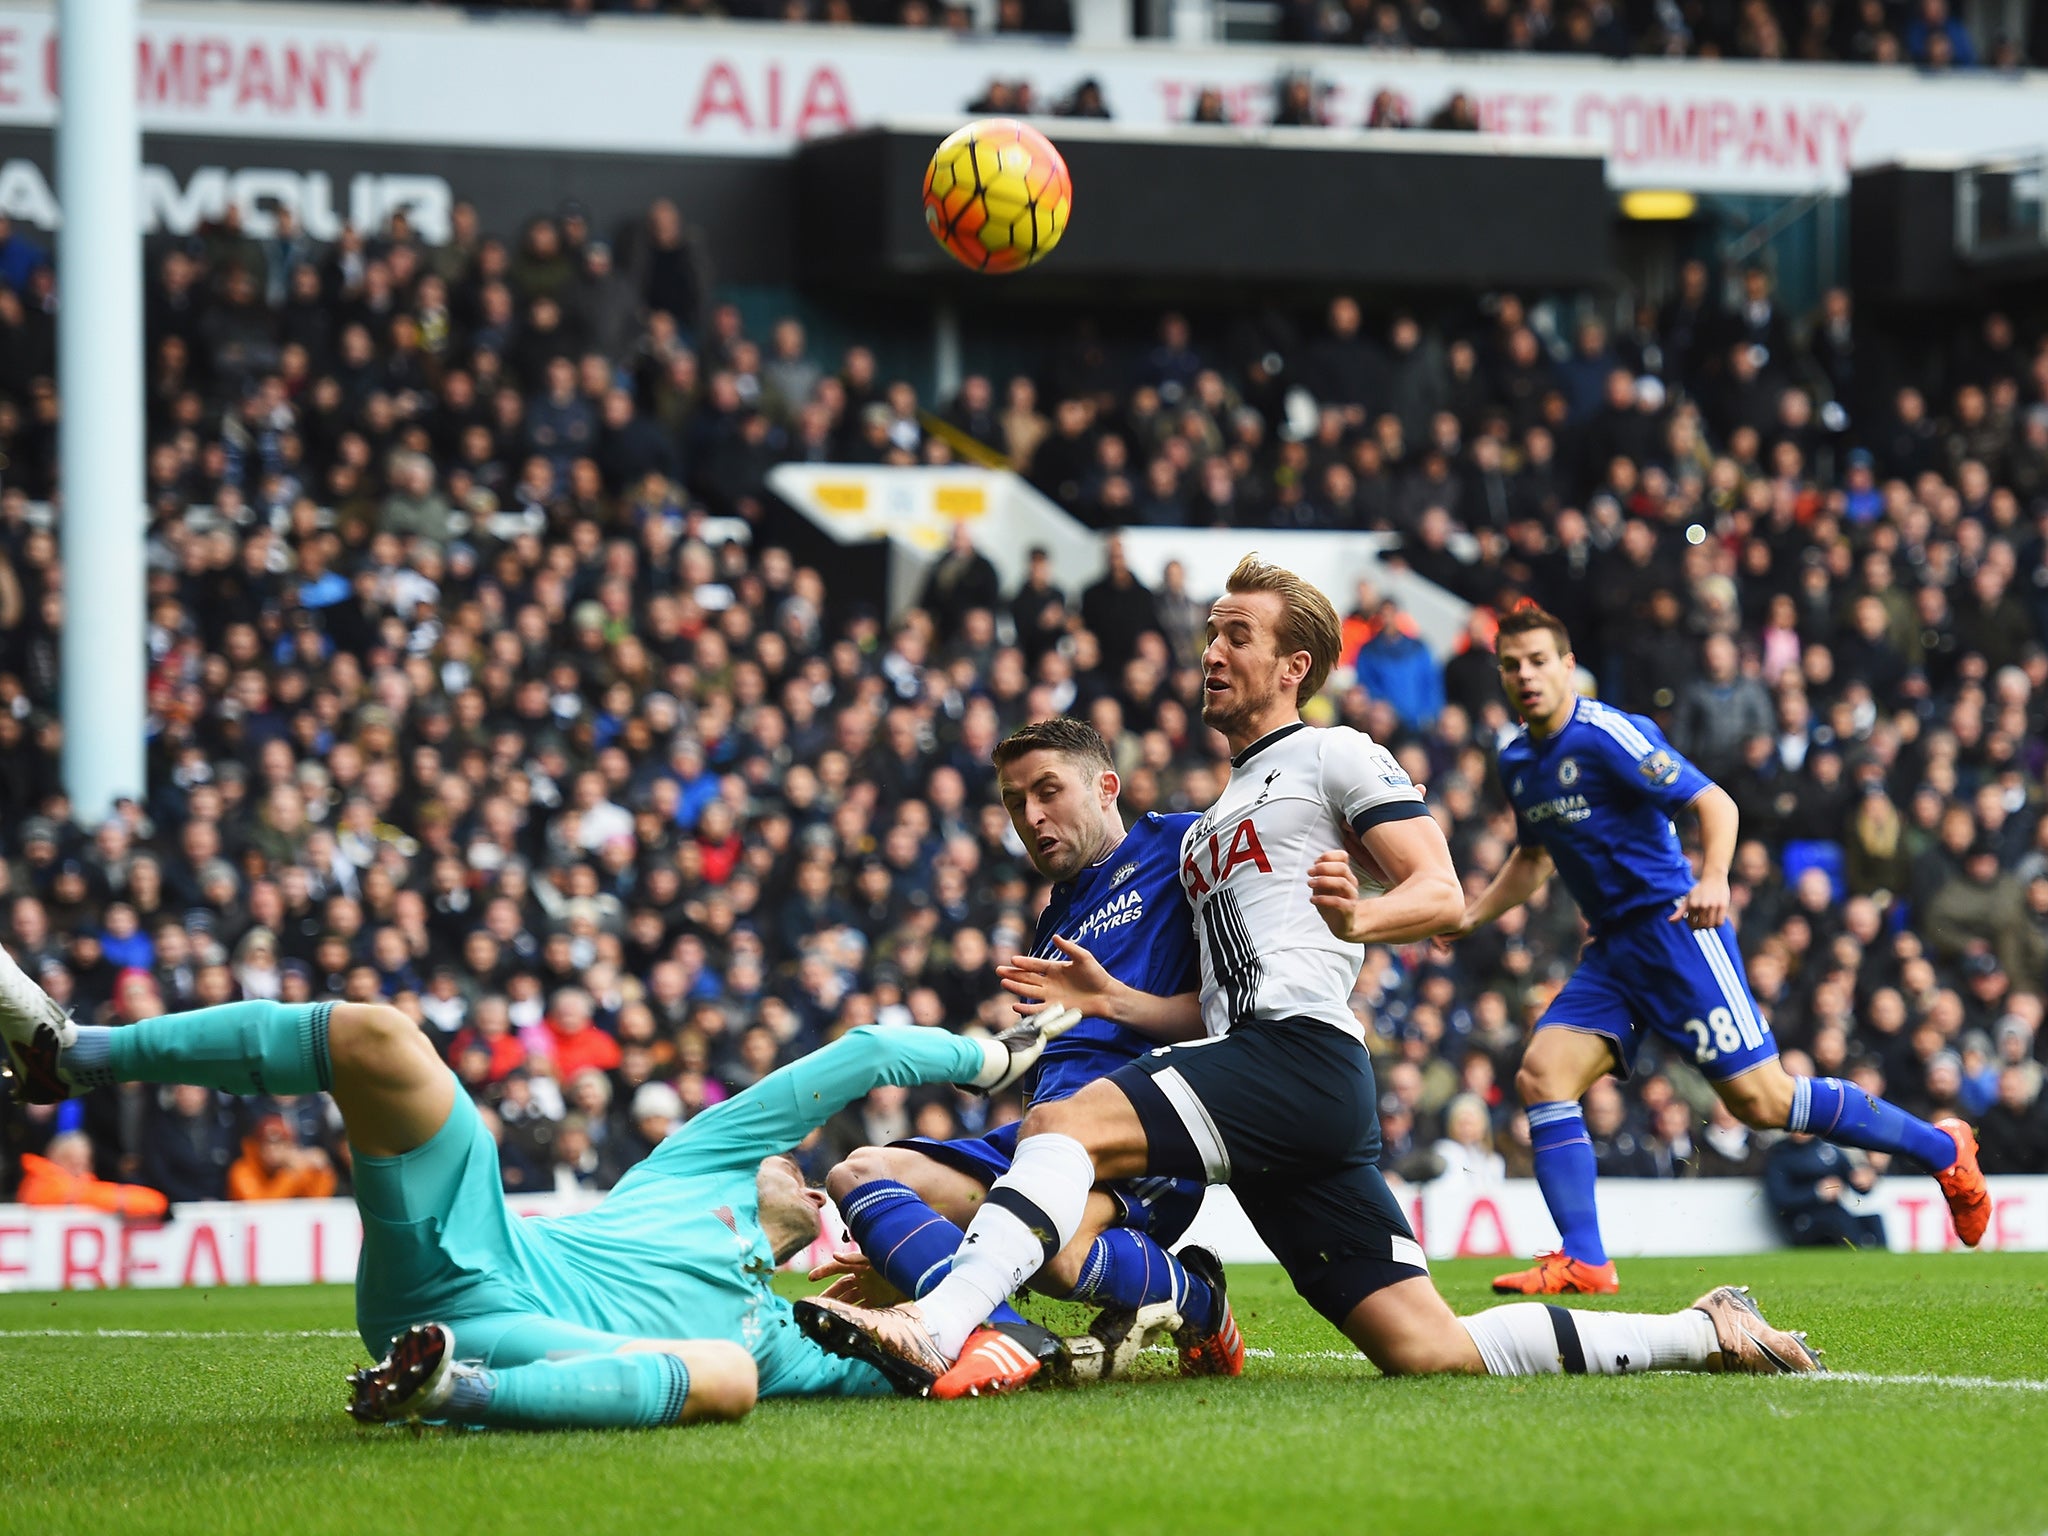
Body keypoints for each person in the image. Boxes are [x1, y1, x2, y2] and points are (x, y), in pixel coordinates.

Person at [798, 556, 1821, 1396]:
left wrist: (1359, 914)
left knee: (1060, 1128)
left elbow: (1437, 889)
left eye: (1234, 634)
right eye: (1208, 631)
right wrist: (1112, 1002)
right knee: (1424, 1346)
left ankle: (942, 1323)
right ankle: (1700, 1330)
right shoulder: (1206, 829)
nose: (1210, 650)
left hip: (1298, 1054)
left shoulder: (1335, 753)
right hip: (1266, 1079)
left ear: (1291, 665)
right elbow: (1206, 1003)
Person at [0, 940, 1078, 1429]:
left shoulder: (790, 1332)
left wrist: (974, 1323)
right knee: (381, 1039)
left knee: (728, 1379)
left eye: (835, 1221)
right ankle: (75, 1054)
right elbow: (852, 1058)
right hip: (470, 1245)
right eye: (802, 1172)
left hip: (502, 1336)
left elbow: (944, 1362)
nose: (811, 1184)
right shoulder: (700, 1157)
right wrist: (988, 1060)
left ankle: (446, 1393)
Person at [1440, 603, 1987, 1297]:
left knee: (1762, 1102)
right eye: (1512, 665)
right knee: (1543, 1075)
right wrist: (1472, 914)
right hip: (1613, 952)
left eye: (1539, 661)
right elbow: (1533, 855)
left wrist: (1716, 877)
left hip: (1677, 934)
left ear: (1567, 665)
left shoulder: (1608, 734)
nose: (1526, 676)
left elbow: (1715, 802)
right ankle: (1585, 1258)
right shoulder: (1517, 760)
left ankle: (1945, 1150)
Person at [821, 716, 1229, 1380]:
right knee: (860, 1175)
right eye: (1015, 803)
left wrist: (1113, 1001)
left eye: (1048, 791)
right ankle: (1004, 1334)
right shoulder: (1055, 917)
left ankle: (1201, 1300)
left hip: (1140, 1126)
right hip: (1046, 1136)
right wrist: (920, 1248)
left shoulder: (1182, 845)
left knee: (1058, 1249)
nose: (1032, 816)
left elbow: (1232, 1011)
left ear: (1105, 787)